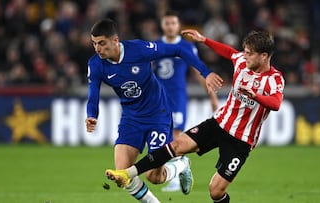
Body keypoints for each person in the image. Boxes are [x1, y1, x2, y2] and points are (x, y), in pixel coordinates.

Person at [105, 29, 285, 203]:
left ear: (264, 56)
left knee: (216, 191)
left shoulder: (275, 79)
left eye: (249, 54)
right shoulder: (241, 61)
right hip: (219, 124)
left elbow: (276, 103)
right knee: (176, 145)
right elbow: (229, 52)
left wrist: (255, 96)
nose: (244, 56)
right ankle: (128, 173)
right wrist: (204, 40)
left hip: (241, 140)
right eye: (244, 52)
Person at [85, 19, 223, 203]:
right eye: (94, 43)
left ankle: (182, 164)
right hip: (131, 118)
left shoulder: (138, 49)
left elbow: (179, 50)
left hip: (158, 114)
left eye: (101, 43)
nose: (97, 48)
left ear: (115, 40)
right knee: (122, 173)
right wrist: (91, 115)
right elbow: (93, 93)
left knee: (154, 176)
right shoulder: (95, 64)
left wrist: (206, 73)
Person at [153, 11, 219, 192]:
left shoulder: (186, 47)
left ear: (178, 25)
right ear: (162, 25)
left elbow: (198, 72)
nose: (170, 26)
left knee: (174, 134)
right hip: (157, 99)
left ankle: (175, 173)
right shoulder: (155, 46)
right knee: (160, 136)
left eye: (173, 23)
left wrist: (212, 96)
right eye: (167, 23)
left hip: (176, 98)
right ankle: (179, 166)